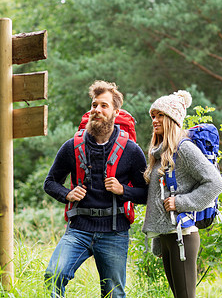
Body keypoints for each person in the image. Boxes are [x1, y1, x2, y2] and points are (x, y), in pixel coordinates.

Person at [44, 80, 148, 298]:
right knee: (54, 275)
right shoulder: (72, 146)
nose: (97, 110)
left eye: (104, 106)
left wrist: (123, 191)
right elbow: (50, 182)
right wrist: (67, 194)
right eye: (94, 105)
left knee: (114, 293)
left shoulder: (131, 150)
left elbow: (146, 194)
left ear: (115, 112)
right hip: (79, 229)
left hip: (115, 232)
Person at [142, 90, 222, 298]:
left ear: (173, 119)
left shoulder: (185, 149)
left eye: (160, 115)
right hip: (169, 236)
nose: (155, 120)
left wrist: (181, 202)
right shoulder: (160, 154)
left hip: (183, 236)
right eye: (153, 116)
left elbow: (215, 183)